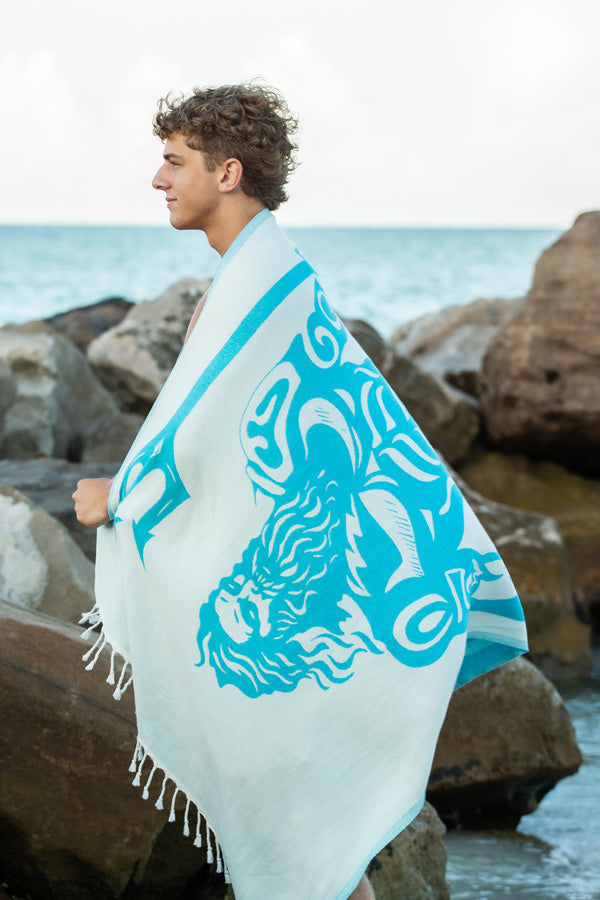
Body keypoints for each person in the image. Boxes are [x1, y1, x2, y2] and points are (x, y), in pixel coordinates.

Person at [73, 84, 527, 900]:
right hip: (294, 594)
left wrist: (122, 496)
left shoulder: (260, 285)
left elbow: (206, 438)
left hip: (314, 600)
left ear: (228, 172)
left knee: (305, 837)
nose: (158, 179)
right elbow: (237, 443)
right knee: (307, 840)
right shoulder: (265, 275)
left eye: (174, 162)